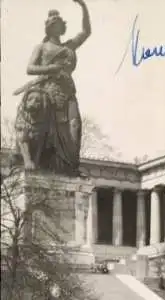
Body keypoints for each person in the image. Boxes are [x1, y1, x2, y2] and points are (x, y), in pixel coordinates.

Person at [14, 0, 91, 176]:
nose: (57, 27)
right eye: (54, 24)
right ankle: (48, 165)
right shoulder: (41, 47)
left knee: (75, 126)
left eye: (59, 24)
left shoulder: (69, 46)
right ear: (49, 28)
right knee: (49, 132)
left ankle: (71, 166)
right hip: (47, 93)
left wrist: (83, 7)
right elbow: (30, 68)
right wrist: (50, 68)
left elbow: (86, 32)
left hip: (69, 91)